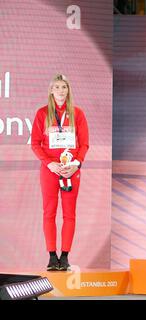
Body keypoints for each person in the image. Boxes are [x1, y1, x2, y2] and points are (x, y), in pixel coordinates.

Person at [31, 74, 89, 271]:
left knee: (69, 214)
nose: (61, 91)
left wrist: (77, 164)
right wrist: (49, 164)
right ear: (51, 91)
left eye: (64, 87)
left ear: (68, 90)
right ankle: (51, 256)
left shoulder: (77, 113)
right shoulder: (42, 113)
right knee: (49, 212)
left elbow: (85, 144)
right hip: (50, 170)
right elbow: (35, 144)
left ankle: (64, 256)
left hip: (71, 169)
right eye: (57, 87)